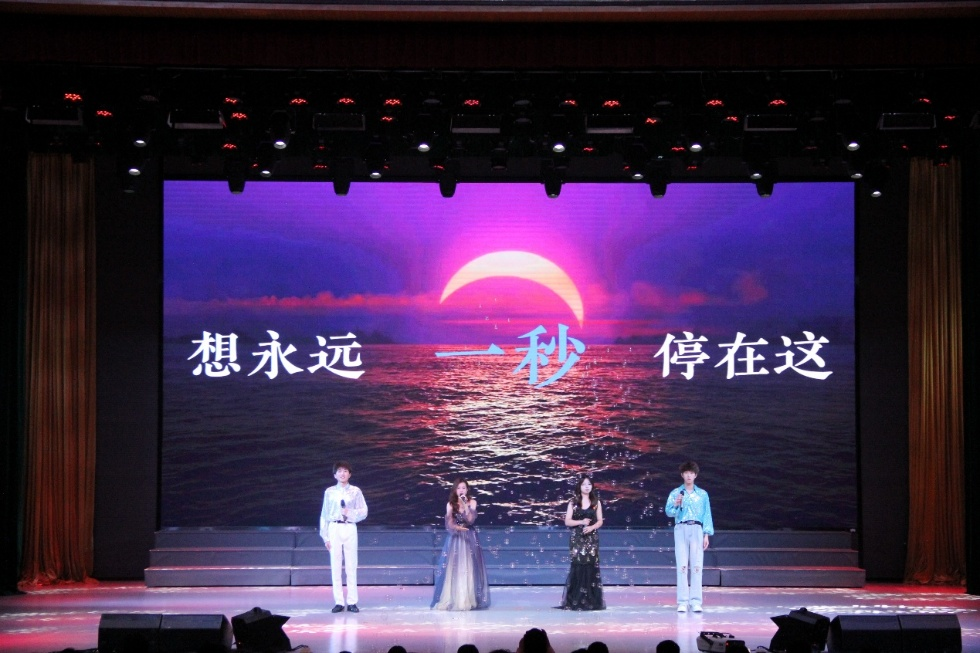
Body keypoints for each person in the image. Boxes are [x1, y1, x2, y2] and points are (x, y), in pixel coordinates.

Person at [431, 478, 491, 610]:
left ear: (467, 489)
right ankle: (454, 598)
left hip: (469, 537)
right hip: (456, 538)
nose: (461, 490)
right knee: (454, 567)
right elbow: (449, 523)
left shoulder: (472, 502)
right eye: (458, 488)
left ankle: (467, 599)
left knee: (468, 567)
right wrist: (456, 528)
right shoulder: (450, 504)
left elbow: (470, 520)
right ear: (455, 490)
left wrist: (465, 505)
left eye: (463, 488)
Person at [664, 460, 714, 613]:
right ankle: (683, 601)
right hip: (681, 528)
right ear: (682, 475)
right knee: (682, 566)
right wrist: (676, 504)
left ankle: (696, 601)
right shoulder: (676, 493)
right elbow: (669, 512)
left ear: (695, 475)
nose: (689, 476)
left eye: (691, 473)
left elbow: (707, 514)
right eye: (686, 473)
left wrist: (706, 534)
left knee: (697, 566)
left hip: (697, 529)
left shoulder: (702, 494)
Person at [319, 461, 368, 613]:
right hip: (334, 528)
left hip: (349, 527)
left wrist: (349, 513)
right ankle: (339, 601)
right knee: (335, 565)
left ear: (350, 474)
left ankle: (352, 601)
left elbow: (364, 511)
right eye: (339, 471)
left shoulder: (356, 491)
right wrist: (325, 537)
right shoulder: (329, 492)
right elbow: (324, 515)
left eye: (345, 471)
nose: (342, 473)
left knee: (351, 565)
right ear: (335, 475)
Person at [559, 474, 605, 610]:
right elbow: (567, 521)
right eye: (584, 484)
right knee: (578, 565)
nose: (587, 487)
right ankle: (575, 599)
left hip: (592, 538)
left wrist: (591, 527)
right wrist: (581, 522)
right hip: (577, 537)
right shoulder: (573, 503)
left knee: (591, 566)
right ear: (579, 486)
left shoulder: (596, 502)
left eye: (589, 484)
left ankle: (591, 600)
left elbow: (600, 521)